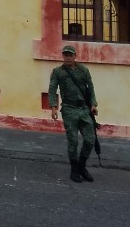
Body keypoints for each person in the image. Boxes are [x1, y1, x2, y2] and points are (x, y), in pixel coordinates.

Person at [48, 44, 98, 183]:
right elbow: (52, 89)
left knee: (90, 139)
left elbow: (91, 88)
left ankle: (82, 166)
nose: (68, 57)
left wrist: (93, 104)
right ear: (63, 56)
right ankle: (74, 169)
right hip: (69, 109)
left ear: (75, 56)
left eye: (71, 55)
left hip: (83, 109)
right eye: (66, 55)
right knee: (73, 140)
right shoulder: (58, 72)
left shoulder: (83, 70)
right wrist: (53, 107)